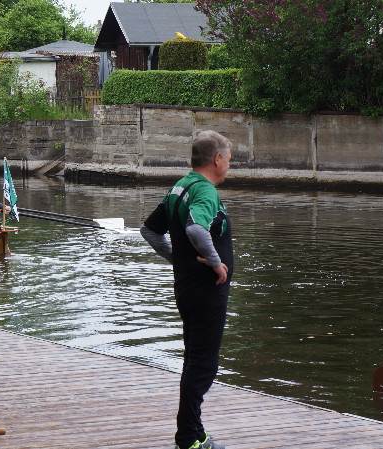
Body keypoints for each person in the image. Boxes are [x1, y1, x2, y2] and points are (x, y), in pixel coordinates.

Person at [140, 130, 233, 449]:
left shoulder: (180, 187)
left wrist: (178, 259)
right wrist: (216, 263)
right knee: (204, 366)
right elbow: (195, 228)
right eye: (229, 159)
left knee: (195, 360)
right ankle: (186, 439)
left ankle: (196, 433)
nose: (229, 165)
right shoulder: (204, 190)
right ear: (217, 159)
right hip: (206, 290)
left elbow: (149, 230)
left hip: (188, 287)